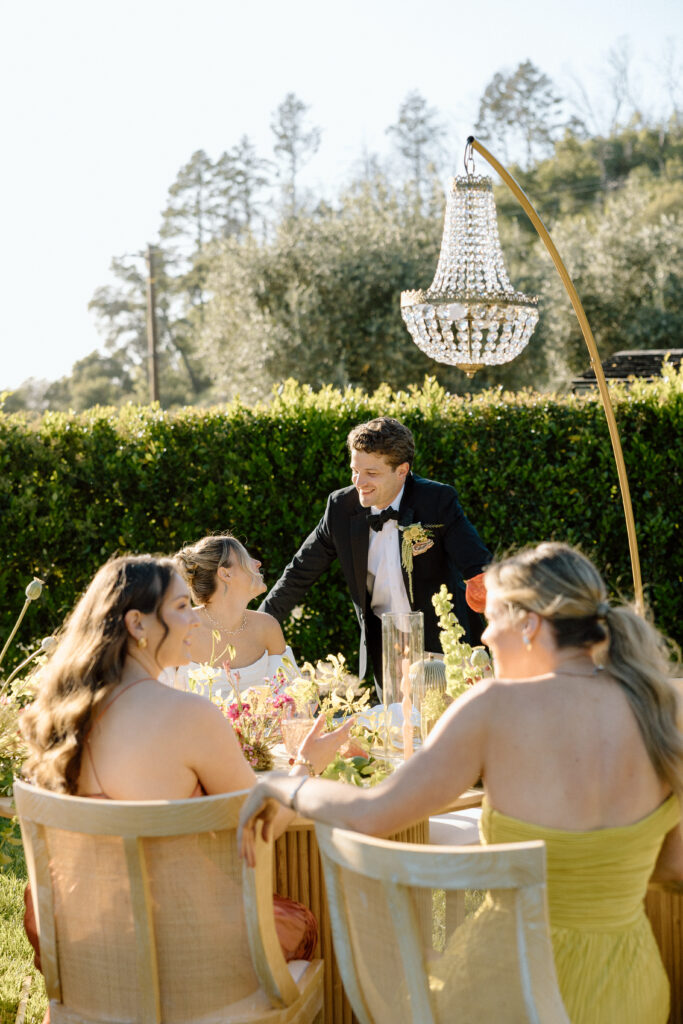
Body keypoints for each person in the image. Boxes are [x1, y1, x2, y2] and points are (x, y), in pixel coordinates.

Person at [241, 542, 683, 1023]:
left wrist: (285, 785)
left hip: (507, 993)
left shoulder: (496, 707)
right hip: (629, 993)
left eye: (492, 620)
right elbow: (674, 865)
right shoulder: (664, 705)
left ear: (531, 624)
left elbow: (368, 815)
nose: (485, 637)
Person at [20, 554, 350, 983]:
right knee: (302, 923)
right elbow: (262, 825)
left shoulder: (60, 716)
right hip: (183, 958)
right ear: (137, 625)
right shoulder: (188, 716)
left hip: (88, 955)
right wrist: (307, 764)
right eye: (180, 608)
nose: (195, 620)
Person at [261, 416, 491, 692]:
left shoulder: (437, 501)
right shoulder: (340, 508)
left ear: (402, 470)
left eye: (372, 473)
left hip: (445, 649)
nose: (359, 482)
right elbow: (298, 573)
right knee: (395, 729)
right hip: (387, 651)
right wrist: (257, 627)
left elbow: (477, 567)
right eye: (354, 470)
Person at [162, 533, 299, 696]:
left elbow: (292, 699)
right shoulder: (179, 628)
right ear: (226, 574)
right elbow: (154, 703)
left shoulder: (267, 627)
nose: (257, 563)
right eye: (246, 558)